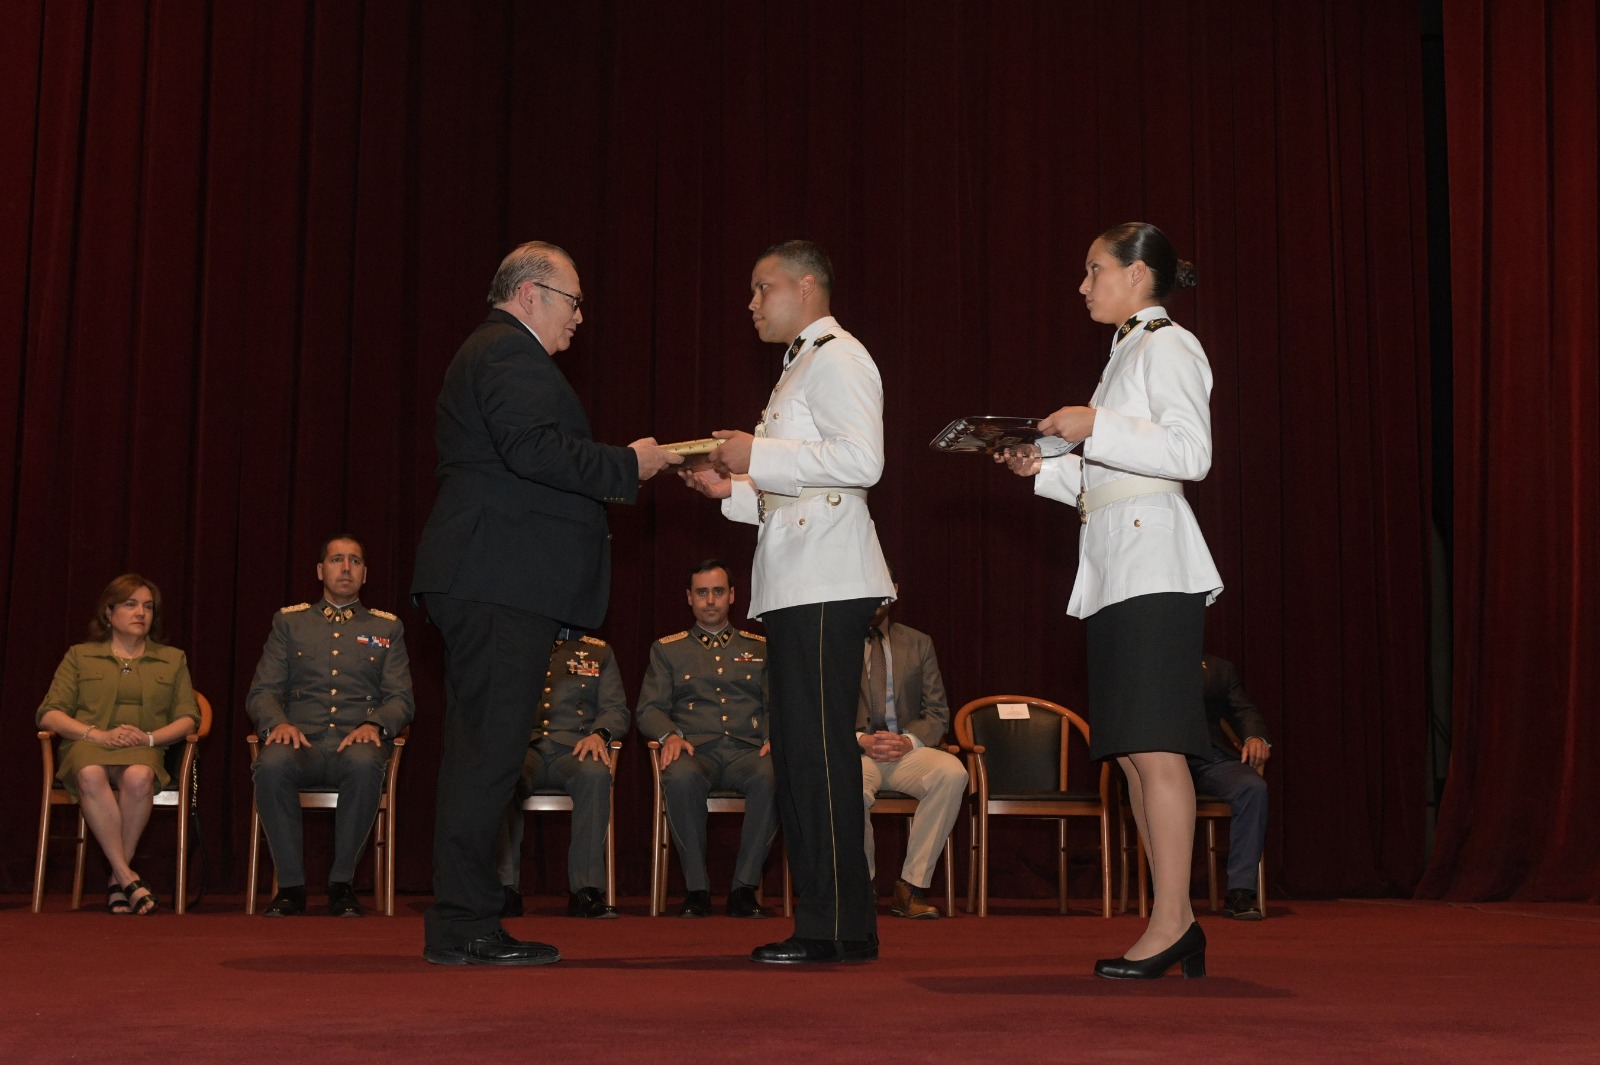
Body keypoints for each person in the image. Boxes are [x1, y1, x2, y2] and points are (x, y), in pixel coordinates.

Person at [412, 241, 679, 966]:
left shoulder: (497, 353)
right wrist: (630, 463)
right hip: (497, 578)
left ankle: (462, 918)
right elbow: (533, 450)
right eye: (573, 300)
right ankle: (467, 922)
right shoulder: (508, 353)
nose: (581, 317)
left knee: (482, 753)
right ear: (531, 294)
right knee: (488, 757)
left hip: (490, 576)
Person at [998, 222, 1222, 979]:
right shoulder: (1125, 353)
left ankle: (1171, 921)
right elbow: (1111, 478)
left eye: (1096, 270)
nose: (1084, 285)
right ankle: (1174, 920)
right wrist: (1043, 468)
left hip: (1155, 563)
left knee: (1157, 748)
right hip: (1117, 564)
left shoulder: (1169, 345)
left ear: (1137, 274)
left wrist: (1098, 425)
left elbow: (1192, 453)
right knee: (1131, 753)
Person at [682, 240, 894, 964]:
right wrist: (733, 488)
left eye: (760, 287)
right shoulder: (802, 362)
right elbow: (802, 487)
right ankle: (830, 920)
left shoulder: (837, 355)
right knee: (803, 754)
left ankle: (837, 926)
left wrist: (757, 454)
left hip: (830, 578)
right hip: (806, 579)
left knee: (821, 754)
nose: (750, 302)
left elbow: (862, 461)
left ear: (807, 288)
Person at [246, 535, 414, 918]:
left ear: (365, 574)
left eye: (355, 561)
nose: (346, 567)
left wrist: (375, 724)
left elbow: (401, 699)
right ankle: (290, 887)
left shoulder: (386, 628)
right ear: (321, 570)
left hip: (356, 744)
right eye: (337, 560)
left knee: (363, 762)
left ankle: (342, 884)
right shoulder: (290, 623)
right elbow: (262, 692)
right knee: (270, 765)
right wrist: (278, 723)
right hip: (301, 742)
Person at [35, 574, 199, 915]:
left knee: (140, 777)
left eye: (148, 607)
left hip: (143, 747)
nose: (141, 612)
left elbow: (189, 718)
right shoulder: (80, 656)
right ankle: (127, 876)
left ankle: (118, 879)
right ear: (108, 613)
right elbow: (49, 714)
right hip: (88, 745)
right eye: (130, 604)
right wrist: (96, 734)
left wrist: (151, 738)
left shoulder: (172, 659)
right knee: (91, 773)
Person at [636, 560, 775, 919]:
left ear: (732, 596)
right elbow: (649, 709)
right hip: (695, 750)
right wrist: (670, 734)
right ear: (689, 598)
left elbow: (779, 703)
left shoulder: (760, 647)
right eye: (702, 593)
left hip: (749, 751)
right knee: (680, 776)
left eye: (717, 592)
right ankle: (697, 890)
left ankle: (744, 889)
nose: (710, 600)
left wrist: (776, 737)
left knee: (775, 775)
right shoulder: (668, 649)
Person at [495, 631, 629, 920]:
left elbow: (616, 709)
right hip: (524, 748)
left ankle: (586, 890)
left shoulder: (598, 651)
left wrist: (600, 734)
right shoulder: (515, 643)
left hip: (576, 748)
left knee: (596, 775)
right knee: (502, 775)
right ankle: (505, 888)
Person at [857, 574, 966, 919]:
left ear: (895, 590)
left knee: (952, 773)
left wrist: (907, 741)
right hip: (857, 751)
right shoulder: (833, 643)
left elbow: (937, 713)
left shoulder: (918, 643)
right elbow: (821, 711)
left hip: (906, 751)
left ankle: (911, 887)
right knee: (844, 785)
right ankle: (862, 886)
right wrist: (861, 739)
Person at [1192, 654, 1271, 920]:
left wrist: (1255, 737)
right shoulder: (1145, 659)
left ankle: (1240, 891)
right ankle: (1168, 893)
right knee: (1164, 795)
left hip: (1209, 759)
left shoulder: (1219, 669)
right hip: (1161, 758)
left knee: (1252, 788)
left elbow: (1244, 710)